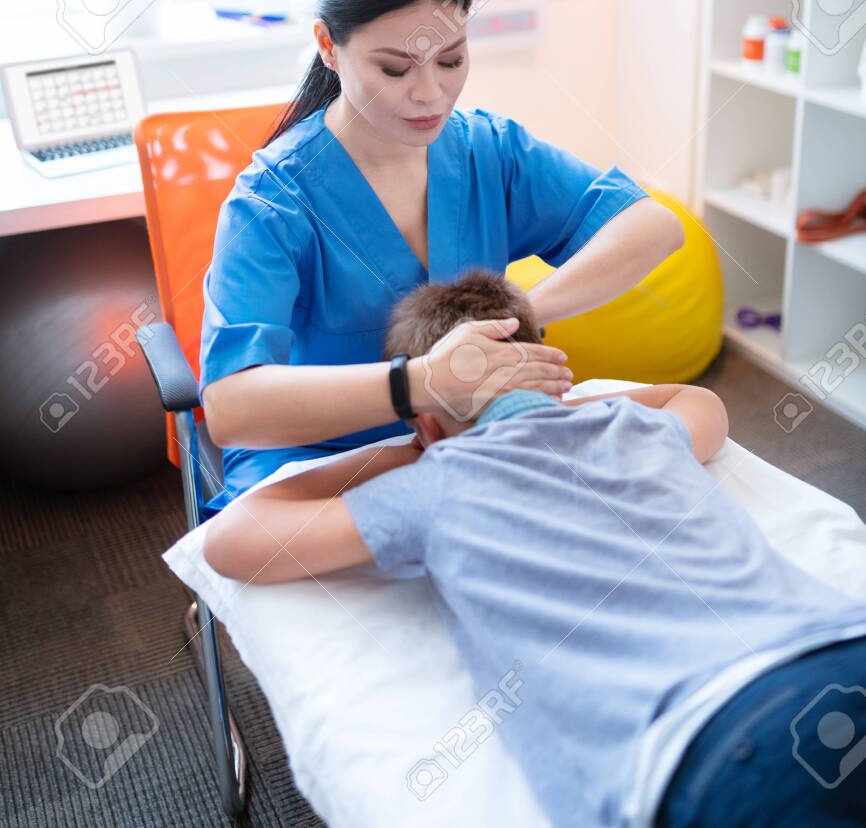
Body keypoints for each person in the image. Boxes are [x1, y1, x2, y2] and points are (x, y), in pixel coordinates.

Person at [203, 268, 866, 828]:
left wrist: (419, 446)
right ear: (555, 376)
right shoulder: (639, 428)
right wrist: (557, 405)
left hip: (718, 739)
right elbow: (700, 403)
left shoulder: (435, 484)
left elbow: (232, 541)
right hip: (842, 647)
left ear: (427, 425)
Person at [199, 0, 684, 514]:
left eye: (451, 60)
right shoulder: (274, 201)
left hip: (471, 439)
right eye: (395, 70)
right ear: (327, 45)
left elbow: (652, 226)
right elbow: (231, 408)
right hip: (318, 461)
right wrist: (424, 382)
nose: (431, 94)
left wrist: (518, 315)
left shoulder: (487, 151)